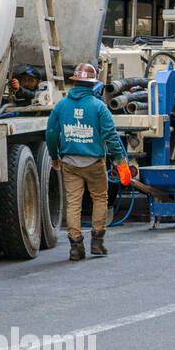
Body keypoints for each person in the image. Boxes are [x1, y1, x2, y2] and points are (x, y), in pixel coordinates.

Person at [44, 62, 131, 261]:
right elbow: (111, 135)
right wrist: (119, 160)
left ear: (74, 82)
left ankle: (75, 247)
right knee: (100, 198)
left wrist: (54, 156)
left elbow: (51, 133)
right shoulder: (99, 107)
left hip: (70, 163)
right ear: (93, 84)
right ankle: (97, 243)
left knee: (73, 203)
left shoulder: (61, 106)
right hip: (94, 163)